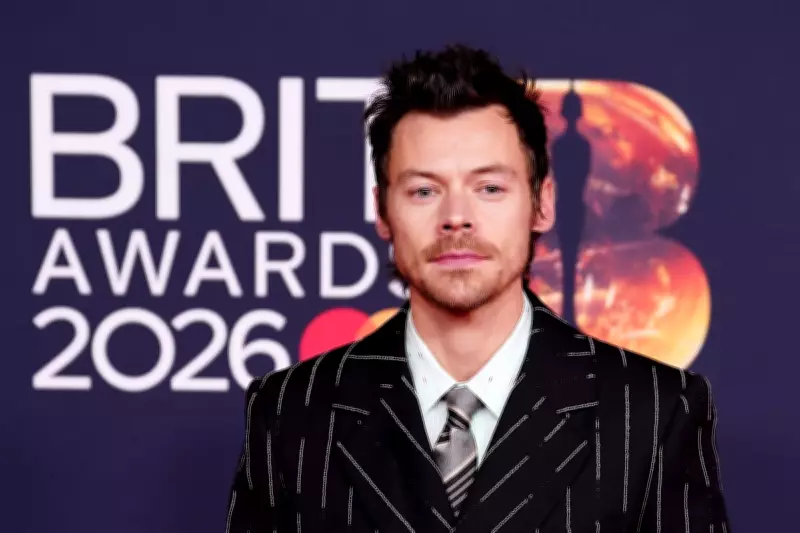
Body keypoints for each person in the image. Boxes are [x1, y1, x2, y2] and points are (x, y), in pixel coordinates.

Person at [224, 44, 730, 532]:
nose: (457, 218)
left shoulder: (653, 411)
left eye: (489, 188)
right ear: (382, 211)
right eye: (424, 190)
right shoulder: (293, 412)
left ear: (542, 204)